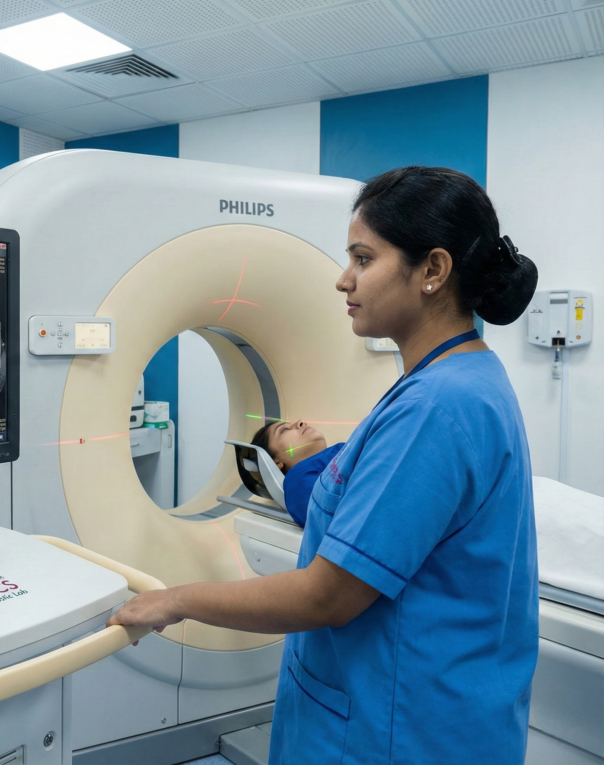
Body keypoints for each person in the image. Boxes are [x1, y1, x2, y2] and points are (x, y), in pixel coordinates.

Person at [108, 166, 539, 765]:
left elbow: (326, 597)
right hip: (424, 709)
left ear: (433, 271)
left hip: (398, 731)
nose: (344, 279)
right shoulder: (462, 379)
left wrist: (175, 600)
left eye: (364, 258)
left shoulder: (436, 408)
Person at [251, 419, 340, 527]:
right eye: (284, 430)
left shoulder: (340, 452)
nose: (301, 422)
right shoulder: (297, 479)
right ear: (275, 462)